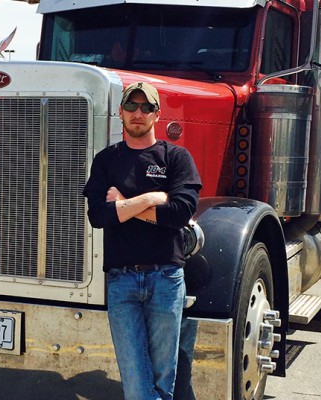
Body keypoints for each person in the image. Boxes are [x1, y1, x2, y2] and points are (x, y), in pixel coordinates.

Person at [83, 82, 202, 400]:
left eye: (146, 107)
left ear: (157, 114)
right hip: (121, 282)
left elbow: (180, 212)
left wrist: (124, 205)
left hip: (166, 279)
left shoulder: (176, 157)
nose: (138, 113)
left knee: (163, 381)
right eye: (131, 106)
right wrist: (151, 198)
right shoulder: (106, 160)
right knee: (137, 385)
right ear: (120, 112)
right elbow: (98, 216)